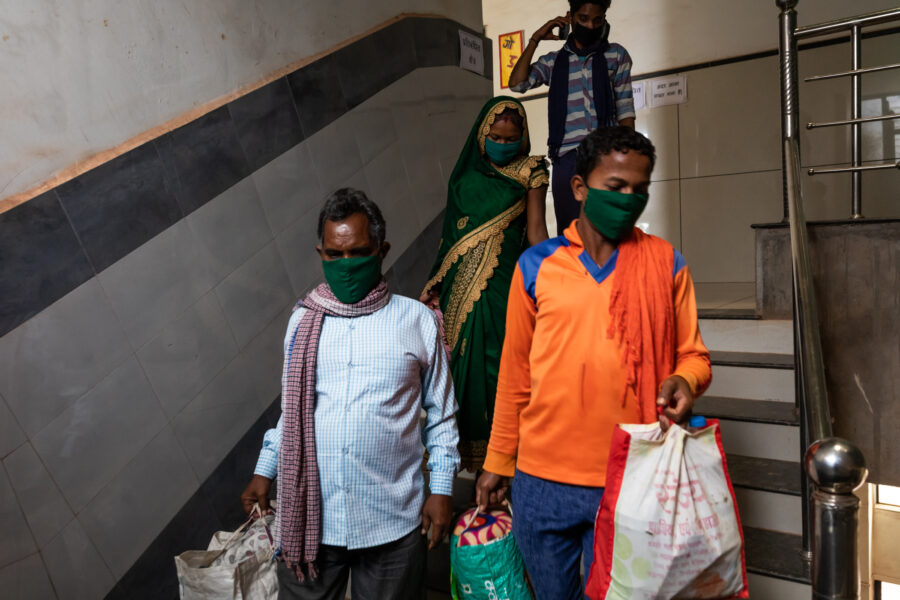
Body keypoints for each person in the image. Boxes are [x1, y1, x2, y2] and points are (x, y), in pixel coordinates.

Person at [474, 127, 712, 598]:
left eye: (639, 190)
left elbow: (694, 355)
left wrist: (685, 379)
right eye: (616, 187)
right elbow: (515, 374)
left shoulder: (666, 264)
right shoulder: (537, 266)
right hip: (542, 480)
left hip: (634, 476)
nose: (628, 199)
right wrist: (498, 460)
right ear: (580, 188)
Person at [240, 188, 460, 600]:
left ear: (382, 250)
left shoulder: (417, 321)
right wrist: (264, 468)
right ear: (321, 252)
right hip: (312, 521)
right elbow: (295, 410)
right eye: (333, 255)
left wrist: (443, 489)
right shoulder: (303, 322)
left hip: (393, 521)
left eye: (357, 252)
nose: (345, 265)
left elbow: (443, 415)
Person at [419, 96, 549, 471]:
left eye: (511, 138)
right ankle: (464, 459)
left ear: (522, 138)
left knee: (500, 362)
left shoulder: (531, 171)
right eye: (496, 136)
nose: (503, 144)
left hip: (506, 284)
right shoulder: (464, 178)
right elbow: (450, 239)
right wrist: (436, 281)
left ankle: (503, 459)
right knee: (463, 367)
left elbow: (538, 232)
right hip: (460, 287)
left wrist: (553, 279)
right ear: (481, 134)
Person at [508, 0, 635, 235]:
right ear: (571, 17)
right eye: (583, 19)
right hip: (567, 160)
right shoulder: (554, 61)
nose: (590, 25)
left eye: (597, 20)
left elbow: (625, 111)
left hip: (606, 156)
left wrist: (628, 162)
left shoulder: (616, 55)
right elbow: (517, 84)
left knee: (609, 233)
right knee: (571, 237)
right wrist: (535, 38)